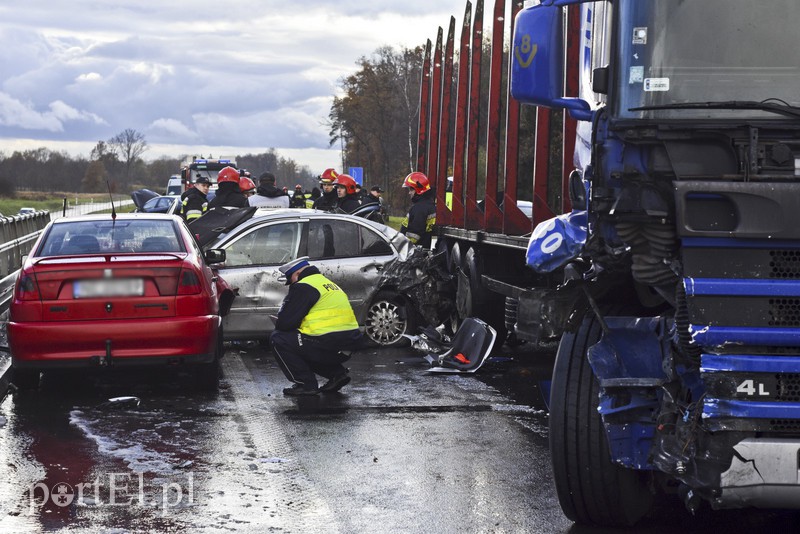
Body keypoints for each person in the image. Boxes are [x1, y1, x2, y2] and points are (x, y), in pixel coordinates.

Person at [270, 256, 362, 396]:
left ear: (297, 274)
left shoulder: (303, 286)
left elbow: (284, 323)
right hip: (347, 346)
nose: (291, 285)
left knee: (279, 338)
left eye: (291, 281)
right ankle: (337, 374)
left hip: (327, 344)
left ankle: (306, 384)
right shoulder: (330, 284)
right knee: (304, 341)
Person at [400, 171, 436, 249]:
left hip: (415, 250)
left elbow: (415, 233)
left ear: (418, 190)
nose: (409, 193)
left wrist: (403, 246)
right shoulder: (429, 205)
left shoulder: (419, 209)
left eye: (411, 190)